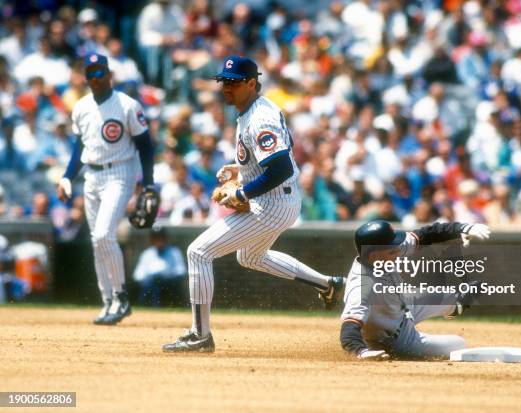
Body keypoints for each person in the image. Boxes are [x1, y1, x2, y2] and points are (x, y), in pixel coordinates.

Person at [162, 56, 344, 353]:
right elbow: (280, 153)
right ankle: (328, 284)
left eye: (233, 82)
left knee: (198, 252)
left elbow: (282, 167)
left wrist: (242, 193)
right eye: (224, 81)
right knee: (250, 257)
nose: (227, 88)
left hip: (272, 202)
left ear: (251, 83)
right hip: (279, 198)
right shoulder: (256, 110)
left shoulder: (259, 117)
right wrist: (240, 169)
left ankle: (200, 334)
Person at [57, 53, 156, 325]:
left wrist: (148, 184)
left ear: (110, 74)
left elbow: (146, 146)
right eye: (90, 73)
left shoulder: (127, 105)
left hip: (120, 173)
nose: (96, 78)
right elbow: (80, 149)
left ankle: (122, 298)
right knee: (97, 241)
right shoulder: (80, 107)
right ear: (85, 77)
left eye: (100, 72)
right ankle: (108, 301)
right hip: (92, 175)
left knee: (103, 234)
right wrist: (67, 177)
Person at [340, 220, 491, 360]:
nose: (399, 251)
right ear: (374, 256)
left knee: (460, 296)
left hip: (403, 303)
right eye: (393, 251)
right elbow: (349, 328)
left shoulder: (384, 251)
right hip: (397, 338)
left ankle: (455, 304)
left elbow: (426, 234)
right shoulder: (362, 287)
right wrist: (361, 351)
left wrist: (462, 228)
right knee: (458, 344)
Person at [133, 226, 186, 306]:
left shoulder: (174, 252)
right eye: (156, 238)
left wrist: (166, 275)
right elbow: (137, 275)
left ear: (165, 238)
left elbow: (181, 271)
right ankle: (149, 307)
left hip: (168, 282)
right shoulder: (147, 253)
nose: (158, 240)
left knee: (167, 285)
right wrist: (151, 277)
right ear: (152, 239)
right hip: (151, 283)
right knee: (150, 285)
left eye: (161, 237)